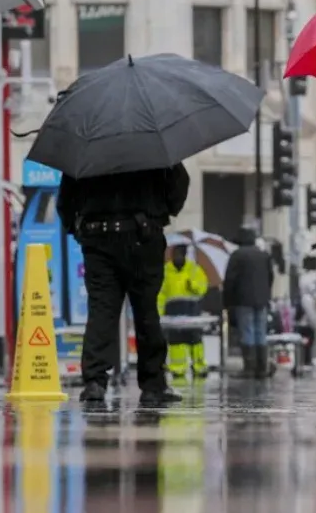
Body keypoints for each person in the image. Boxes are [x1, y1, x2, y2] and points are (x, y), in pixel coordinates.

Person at [57, 165, 189, 405]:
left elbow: (65, 202)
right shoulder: (152, 144)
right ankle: (152, 385)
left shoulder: (89, 148)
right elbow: (178, 188)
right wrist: (162, 208)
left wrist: (76, 229)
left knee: (101, 311)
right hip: (144, 237)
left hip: (98, 239)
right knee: (146, 311)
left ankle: (95, 381)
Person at [223, 228, 274, 378]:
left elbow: (230, 281)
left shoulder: (237, 255)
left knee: (248, 331)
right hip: (262, 300)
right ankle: (262, 368)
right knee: (260, 332)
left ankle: (249, 368)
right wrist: (266, 294)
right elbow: (270, 277)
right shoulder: (264, 255)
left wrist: (227, 301)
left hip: (243, 300)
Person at [157, 244, 210, 378]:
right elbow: (161, 293)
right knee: (176, 341)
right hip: (172, 311)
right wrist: (159, 312)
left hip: (191, 309)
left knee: (195, 340)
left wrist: (193, 285)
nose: (177, 257)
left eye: (180, 254)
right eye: (175, 254)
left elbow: (203, 288)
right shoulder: (166, 270)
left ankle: (199, 366)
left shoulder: (194, 269)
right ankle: (178, 368)